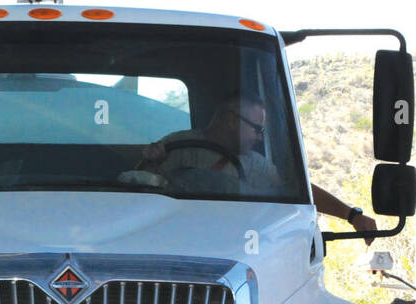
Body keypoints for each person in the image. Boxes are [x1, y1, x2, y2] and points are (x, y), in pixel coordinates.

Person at [138, 92, 379, 241]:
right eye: (257, 128)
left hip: (230, 244)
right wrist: (151, 163)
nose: (260, 137)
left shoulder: (256, 165)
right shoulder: (176, 145)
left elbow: (299, 190)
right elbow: (139, 187)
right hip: (170, 239)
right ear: (232, 121)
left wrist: (351, 215)